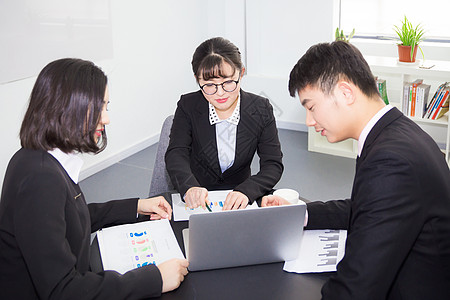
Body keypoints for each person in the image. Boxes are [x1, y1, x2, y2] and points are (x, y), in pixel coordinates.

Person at [262, 41, 450, 299]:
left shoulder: (391, 160)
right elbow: (368, 206)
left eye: (311, 106)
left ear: (345, 93)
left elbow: (355, 289)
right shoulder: (397, 132)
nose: (309, 121)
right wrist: (301, 213)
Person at [0, 58, 188, 299]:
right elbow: (64, 290)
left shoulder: (40, 159)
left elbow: (71, 218)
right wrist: (155, 279)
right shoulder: (40, 179)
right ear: (66, 107)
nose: (106, 118)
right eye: (98, 107)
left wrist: (136, 206)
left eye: (106, 106)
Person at [165, 37, 283, 210]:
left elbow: (273, 164)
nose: (220, 93)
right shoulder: (188, 105)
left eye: (228, 82)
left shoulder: (260, 108)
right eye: (209, 85)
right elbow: (176, 152)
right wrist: (189, 187)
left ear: (241, 72)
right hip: (197, 199)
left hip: (240, 197)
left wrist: (247, 191)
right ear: (197, 79)